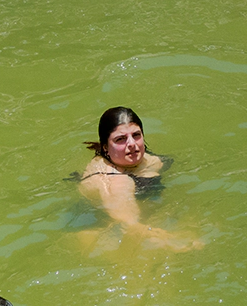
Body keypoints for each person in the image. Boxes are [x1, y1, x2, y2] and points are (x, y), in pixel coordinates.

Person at [78, 107, 201, 251]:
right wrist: (173, 240)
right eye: (120, 139)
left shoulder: (143, 158)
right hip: (104, 232)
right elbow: (128, 224)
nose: (131, 143)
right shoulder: (113, 180)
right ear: (105, 147)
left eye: (136, 135)